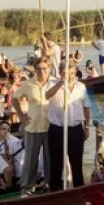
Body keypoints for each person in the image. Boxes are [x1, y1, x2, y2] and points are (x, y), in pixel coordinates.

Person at [45, 63, 90, 191]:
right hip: (57, 129)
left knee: (76, 163)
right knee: (56, 164)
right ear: (60, 73)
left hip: (75, 128)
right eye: (65, 73)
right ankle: (54, 191)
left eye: (71, 73)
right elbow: (47, 96)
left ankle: (78, 192)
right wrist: (60, 83)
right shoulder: (53, 84)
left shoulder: (81, 87)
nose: (69, 76)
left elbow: (86, 107)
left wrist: (86, 127)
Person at [13, 59, 54, 194]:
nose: (41, 71)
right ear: (35, 69)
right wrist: (21, 116)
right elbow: (15, 98)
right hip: (33, 126)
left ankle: (49, 184)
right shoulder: (28, 84)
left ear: (49, 68)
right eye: (38, 68)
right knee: (31, 158)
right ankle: (27, 187)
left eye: (44, 68)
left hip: (50, 126)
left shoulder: (54, 82)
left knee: (50, 158)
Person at [0, 121, 24, 186]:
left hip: (15, 175)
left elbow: (19, 159)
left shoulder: (14, 141)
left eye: (8, 129)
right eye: (3, 129)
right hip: (0, 173)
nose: (6, 131)